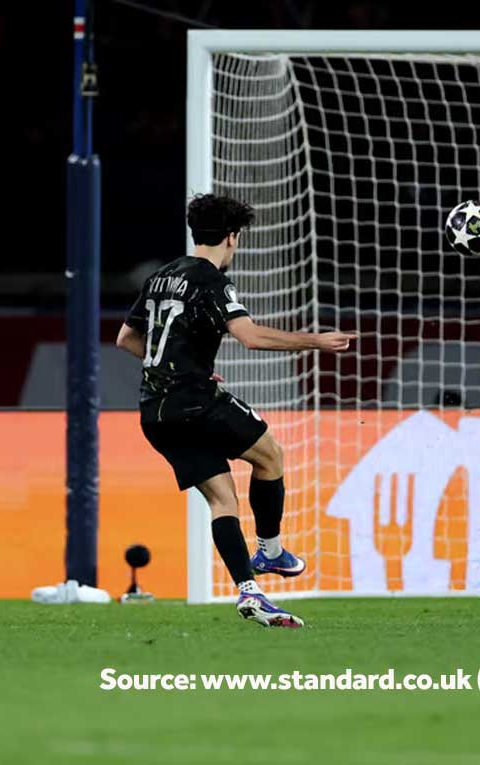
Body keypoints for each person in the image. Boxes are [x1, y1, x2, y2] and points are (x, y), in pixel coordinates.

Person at [116, 194, 355, 628]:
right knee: (271, 455)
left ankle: (250, 593)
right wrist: (317, 341)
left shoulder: (160, 277)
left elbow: (127, 340)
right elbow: (250, 336)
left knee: (223, 499)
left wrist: (177, 366)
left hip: (155, 412)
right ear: (233, 237)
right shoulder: (211, 279)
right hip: (195, 402)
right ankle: (271, 549)